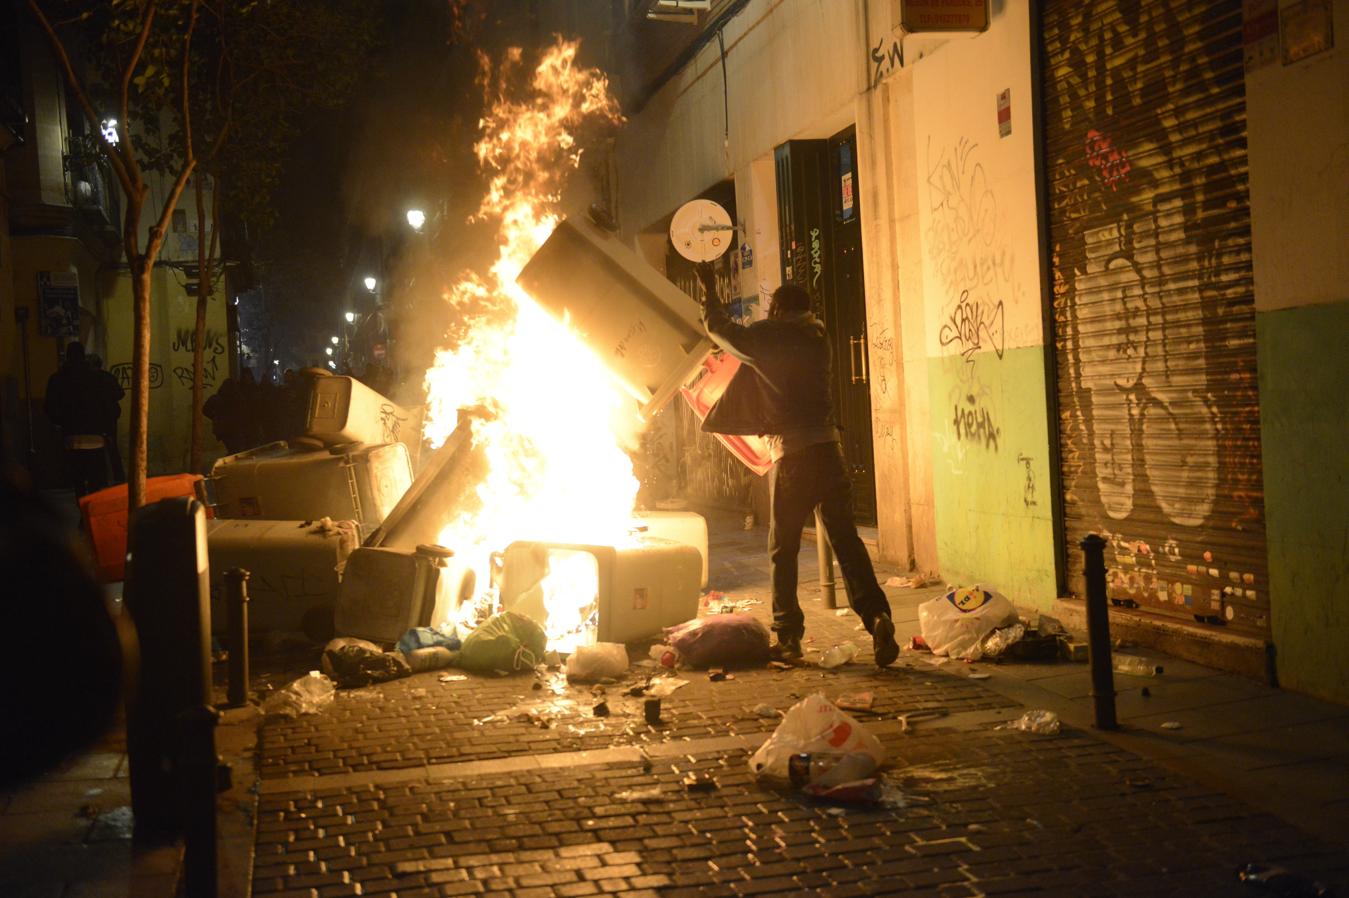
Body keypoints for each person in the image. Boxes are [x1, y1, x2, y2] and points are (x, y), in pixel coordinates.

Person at [695, 262, 899, 667]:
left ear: (776, 312)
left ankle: (788, 638)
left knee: (782, 549)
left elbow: (721, 330)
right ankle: (877, 615)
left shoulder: (770, 337)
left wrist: (710, 288)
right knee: (847, 542)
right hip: (830, 452)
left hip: (792, 458)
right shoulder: (817, 335)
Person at [44, 343, 115, 496]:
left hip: (71, 438)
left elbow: (50, 407)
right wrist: (107, 430)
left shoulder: (58, 379)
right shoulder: (97, 378)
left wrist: (61, 424)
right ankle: (91, 512)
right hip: (96, 437)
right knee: (95, 480)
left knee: (78, 481)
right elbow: (108, 405)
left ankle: (82, 509)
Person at [87, 354, 125, 482]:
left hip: (95, 418)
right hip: (109, 418)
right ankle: (118, 477)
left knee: (97, 451)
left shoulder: (88, 379)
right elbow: (120, 393)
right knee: (112, 449)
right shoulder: (108, 377)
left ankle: (102, 479)